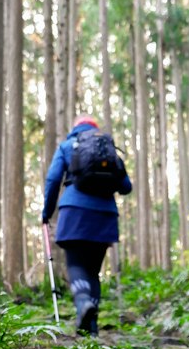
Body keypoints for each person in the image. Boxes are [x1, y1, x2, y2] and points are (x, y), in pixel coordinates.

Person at [42, 115, 132, 336]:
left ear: (75, 129)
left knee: (76, 265)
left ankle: (83, 304)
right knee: (93, 272)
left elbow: (53, 179)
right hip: (105, 215)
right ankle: (91, 330)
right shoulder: (107, 149)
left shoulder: (67, 146)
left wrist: (47, 212)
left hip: (75, 212)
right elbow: (126, 186)